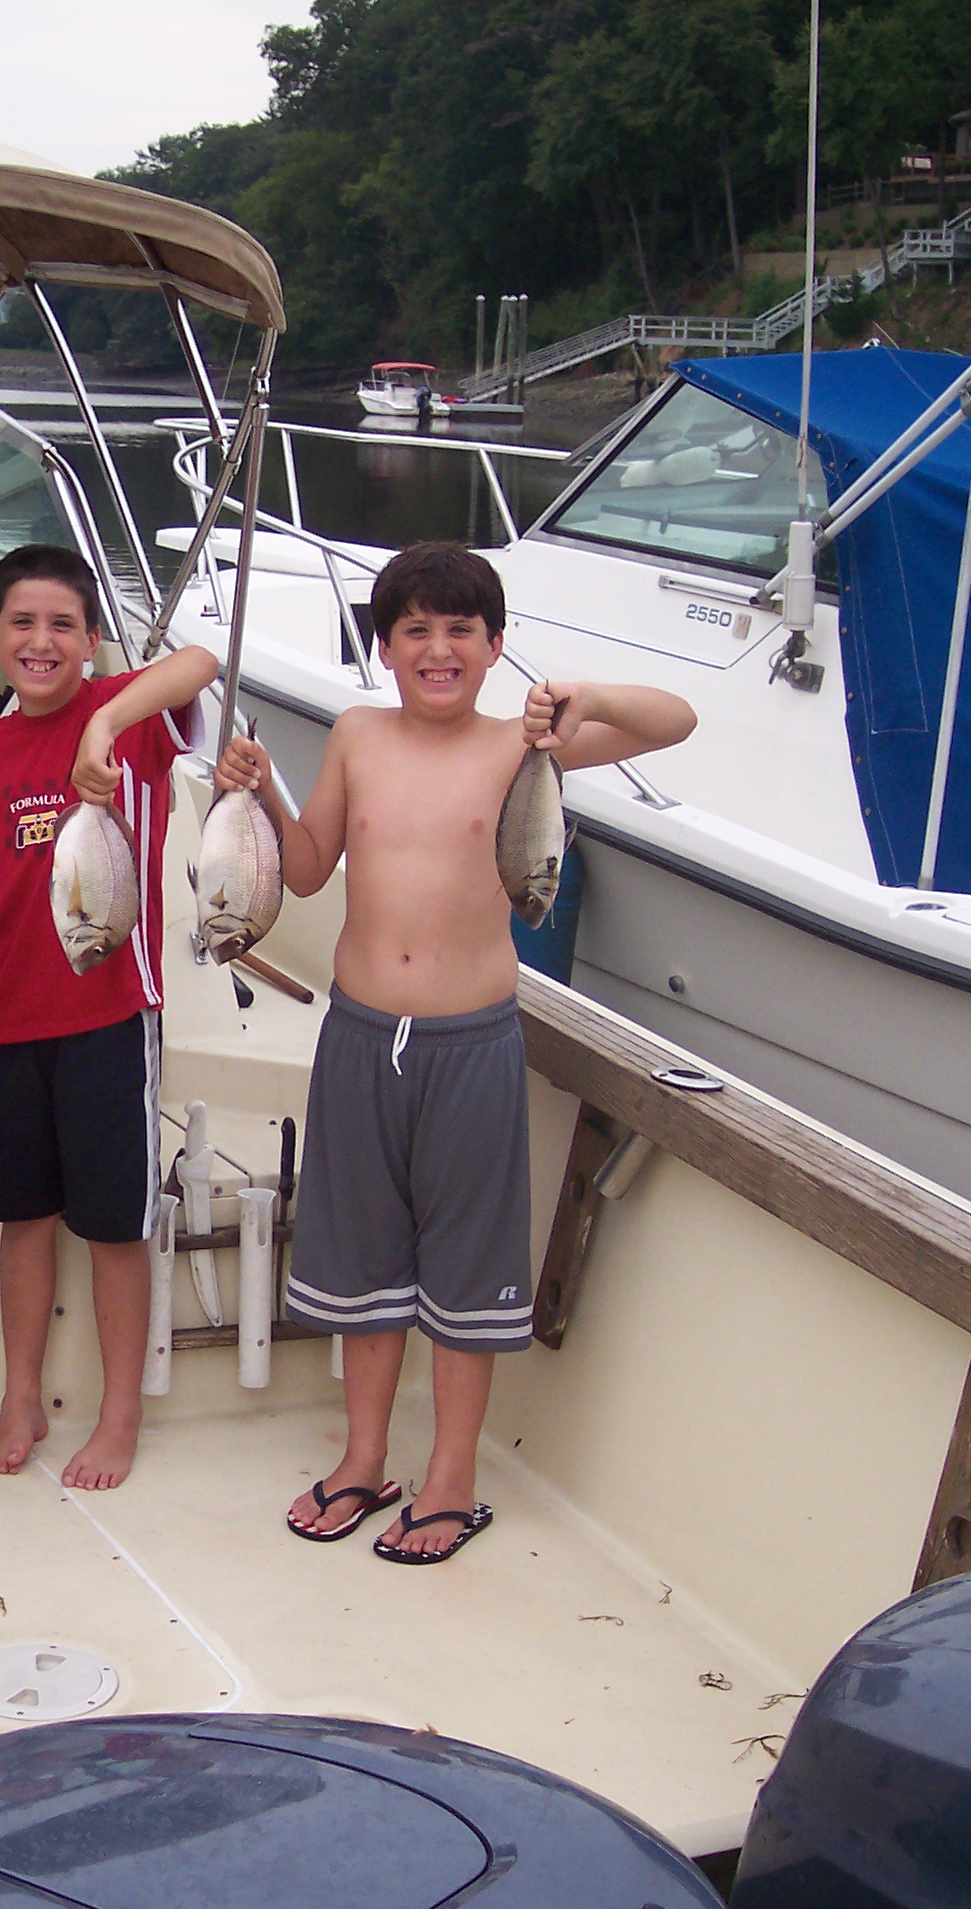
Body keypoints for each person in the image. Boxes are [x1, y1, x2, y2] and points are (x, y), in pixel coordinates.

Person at [216, 541, 696, 1563]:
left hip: (470, 1044)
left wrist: (585, 698)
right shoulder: (356, 735)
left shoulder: (525, 747)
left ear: (495, 646)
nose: (438, 650)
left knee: (467, 1270)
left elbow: (676, 722)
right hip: (359, 1037)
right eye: (416, 631)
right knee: (364, 1264)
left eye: (461, 631)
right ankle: (364, 1460)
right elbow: (307, 871)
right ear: (385, 647)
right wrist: (260, 795)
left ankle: (451, 1478)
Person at [0, 544, 220, 1490]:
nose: (42, 641)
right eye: (22, 623)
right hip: (6, 1022)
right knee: (22, 1219)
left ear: (93, 639)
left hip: (107, 1018)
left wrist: (103, 721)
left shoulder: (130, 725)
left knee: (113, 1227)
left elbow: (200, 662)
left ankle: (119, 1413)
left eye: (63, 624)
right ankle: (20, 1394)